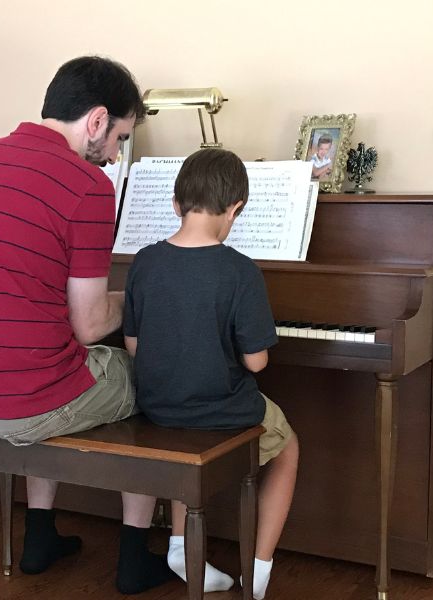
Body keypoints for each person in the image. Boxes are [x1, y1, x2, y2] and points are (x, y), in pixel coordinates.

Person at [0, 56, 174, 594]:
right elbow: (89, 325)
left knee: (47, 356)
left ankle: (39, 537)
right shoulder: (87, 186)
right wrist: (141, 295)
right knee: (150, 373)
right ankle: (135, 556)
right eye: (121, 139)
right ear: (98, 120)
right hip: (24, 404)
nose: (115, 156)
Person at [122, 148, 299, 599]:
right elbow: (257, 362)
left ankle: (181, 549)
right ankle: (257, 571)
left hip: (159, 407)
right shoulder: (240, 271)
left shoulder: (144, 261)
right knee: (289, 446)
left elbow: (134, 345)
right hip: (220, 412)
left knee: (186, 430)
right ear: (235, 208)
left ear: (176, 203)